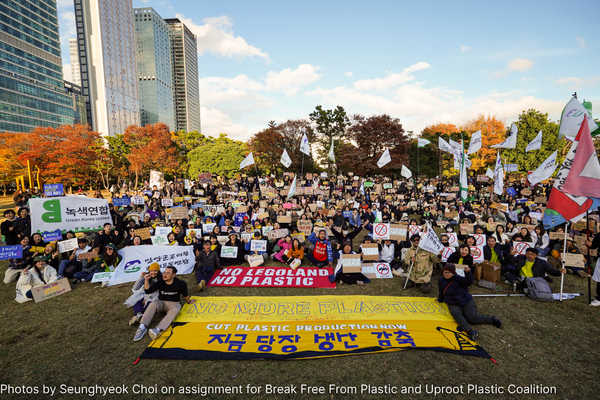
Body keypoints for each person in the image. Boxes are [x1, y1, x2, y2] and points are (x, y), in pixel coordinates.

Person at [437, 263, 502, 340]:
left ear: (453, 273)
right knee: (455, 313)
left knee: (471, 318)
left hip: (466, 301)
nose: (445, 274)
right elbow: (441, 292)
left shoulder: (458, 278)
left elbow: (469, 282)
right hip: (453, 303)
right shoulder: (441, 280)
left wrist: (468, 273)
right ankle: (469, 331)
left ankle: (491, 319)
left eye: (448, 272)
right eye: (444, 272)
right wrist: (439, 300)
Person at [133, 266, 195, 341]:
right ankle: (142, 327)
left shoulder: (181, 283)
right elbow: (148, 291)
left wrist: (189, 301)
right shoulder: (160, 281)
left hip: (174, 303)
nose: (164, 275)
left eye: (168, 273)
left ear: (173, 274)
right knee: (153, 303)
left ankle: (158, 329)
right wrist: (146, 280)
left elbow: (185, 294)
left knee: (176, 309)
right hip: (161, 302)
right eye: (164, 272)